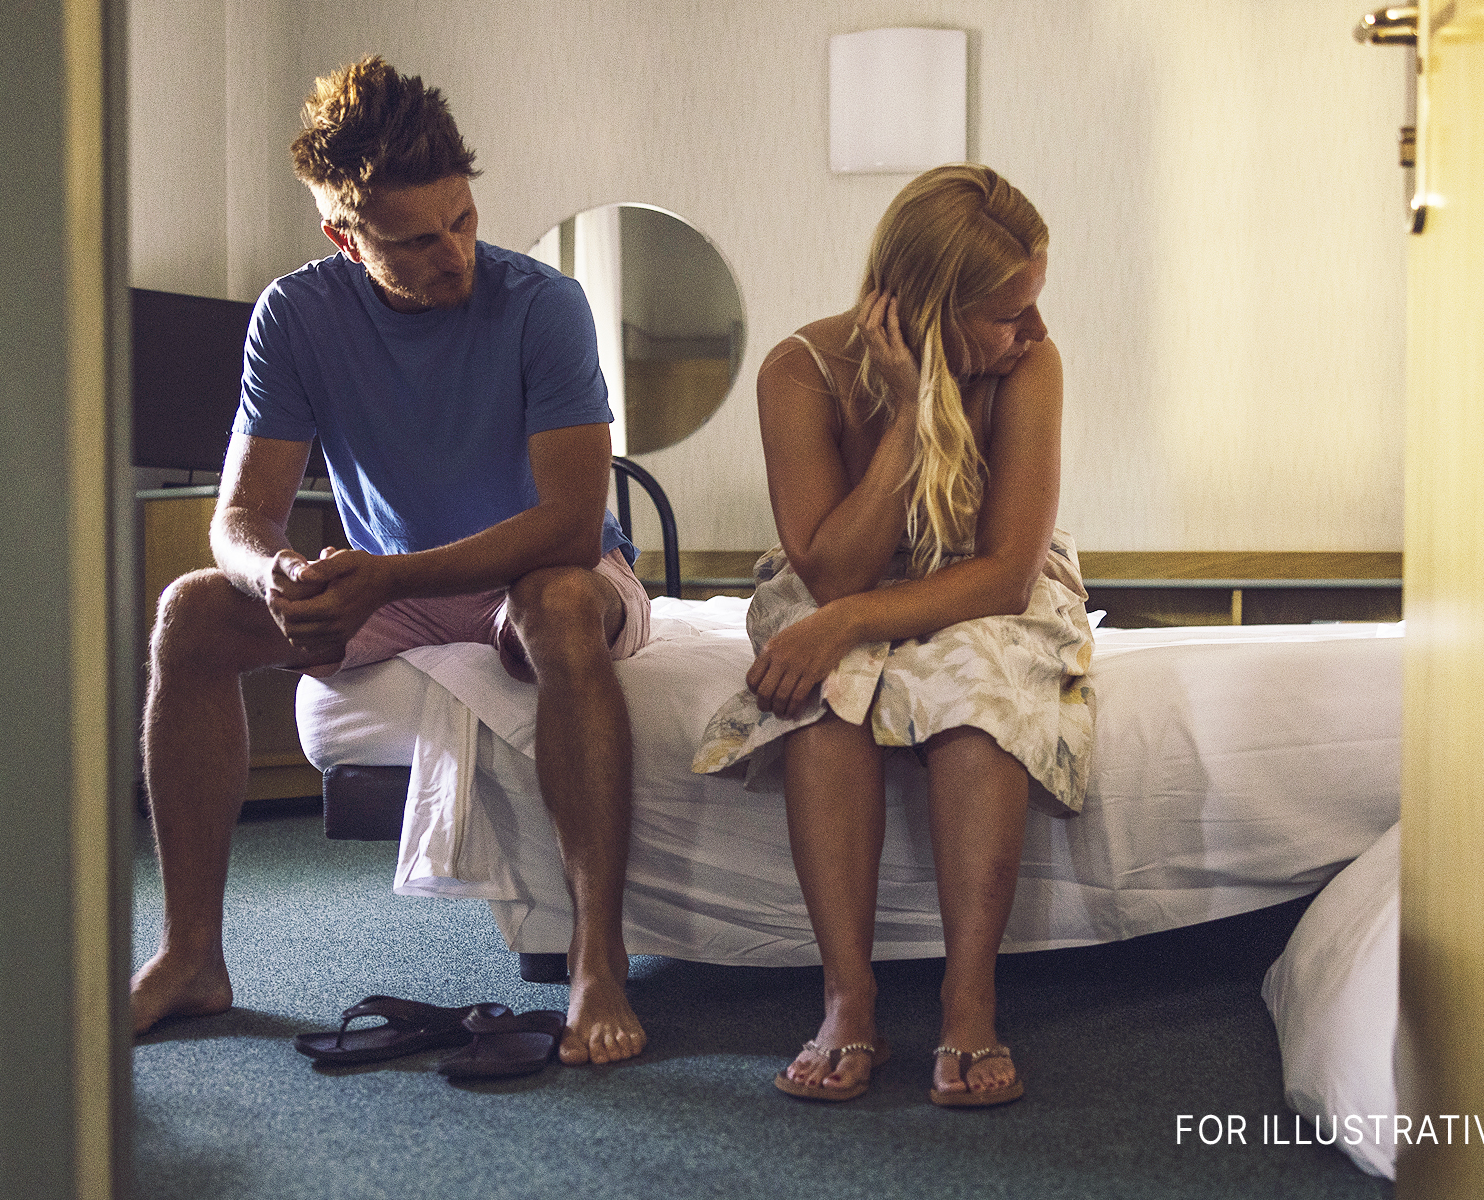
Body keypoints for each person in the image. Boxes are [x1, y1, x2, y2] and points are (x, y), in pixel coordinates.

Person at [130, 56, 650, 1067]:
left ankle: (599, 957)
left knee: (552, 599)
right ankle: (191, 953)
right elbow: (238, 517)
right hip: (398, 585)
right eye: (416, 240)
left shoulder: (543, 305)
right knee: (191, 614)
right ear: (344, 236)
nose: (454, 252)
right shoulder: (297, 316)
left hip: (544, 573)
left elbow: (572, 522)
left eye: (461, 220)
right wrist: (273, 573)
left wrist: (389, 576)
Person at [692, 164, 1095, 1106]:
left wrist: (848, 622)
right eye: (1006, 313)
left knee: (979, 693)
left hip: (981, 583)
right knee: (826, 703)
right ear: (925, 310)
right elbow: (831, 568)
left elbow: (1002, 574)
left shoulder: (1031, 367)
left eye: (1033, 304)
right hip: (853, 574)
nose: (1032, 330)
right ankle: (849, 996)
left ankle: (970, 998)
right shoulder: (800, 371)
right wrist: (911, 420)